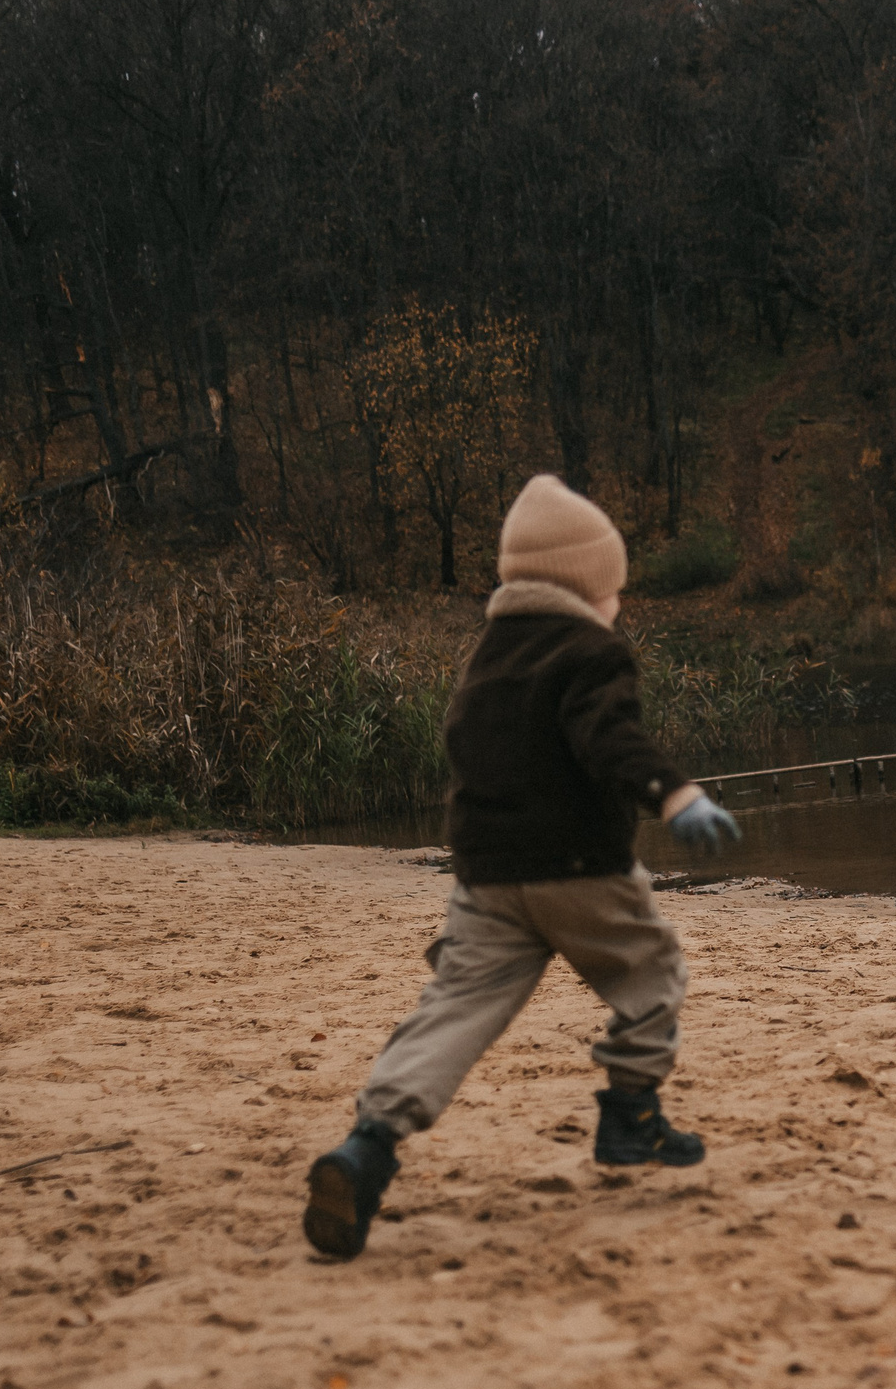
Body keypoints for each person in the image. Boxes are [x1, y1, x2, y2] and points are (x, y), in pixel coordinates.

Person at [301, 474, 741, 1261]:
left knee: (455, 1007)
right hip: (580, 869)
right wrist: (674, 794)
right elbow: (608, 737)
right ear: (584, 585)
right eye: (612, 590)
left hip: (487, 878)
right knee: (652, 971)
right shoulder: (591, 652)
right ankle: (631, 1117)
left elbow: (463, 743)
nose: (616, 607)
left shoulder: (487, 659)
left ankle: (369, 1144)